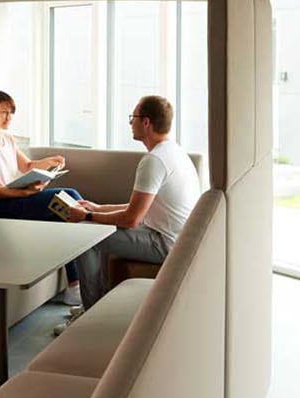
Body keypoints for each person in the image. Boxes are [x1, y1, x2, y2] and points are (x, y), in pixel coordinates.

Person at [61, 94, 200, 319]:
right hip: (175, 238)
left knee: (86, 238)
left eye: (132, 117)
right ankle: (96, 305)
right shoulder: (173, 151)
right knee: (93, 227)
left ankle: (90, 315)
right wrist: (96, 208)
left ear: (146, 122)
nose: (130, 123)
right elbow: (138, 207)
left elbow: (131, 219)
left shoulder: (154, 160)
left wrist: (86, 216)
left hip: (165, 244)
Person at [0, 89, 84, 306]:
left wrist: (52, 161)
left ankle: (75, 287)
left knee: (68, 211)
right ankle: (78, 286)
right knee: (69, 197)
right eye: (3, 112)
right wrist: (22, 192)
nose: (9, 117)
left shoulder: (6, 139)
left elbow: (27, 166)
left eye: (11, 113)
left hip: (15, 199)